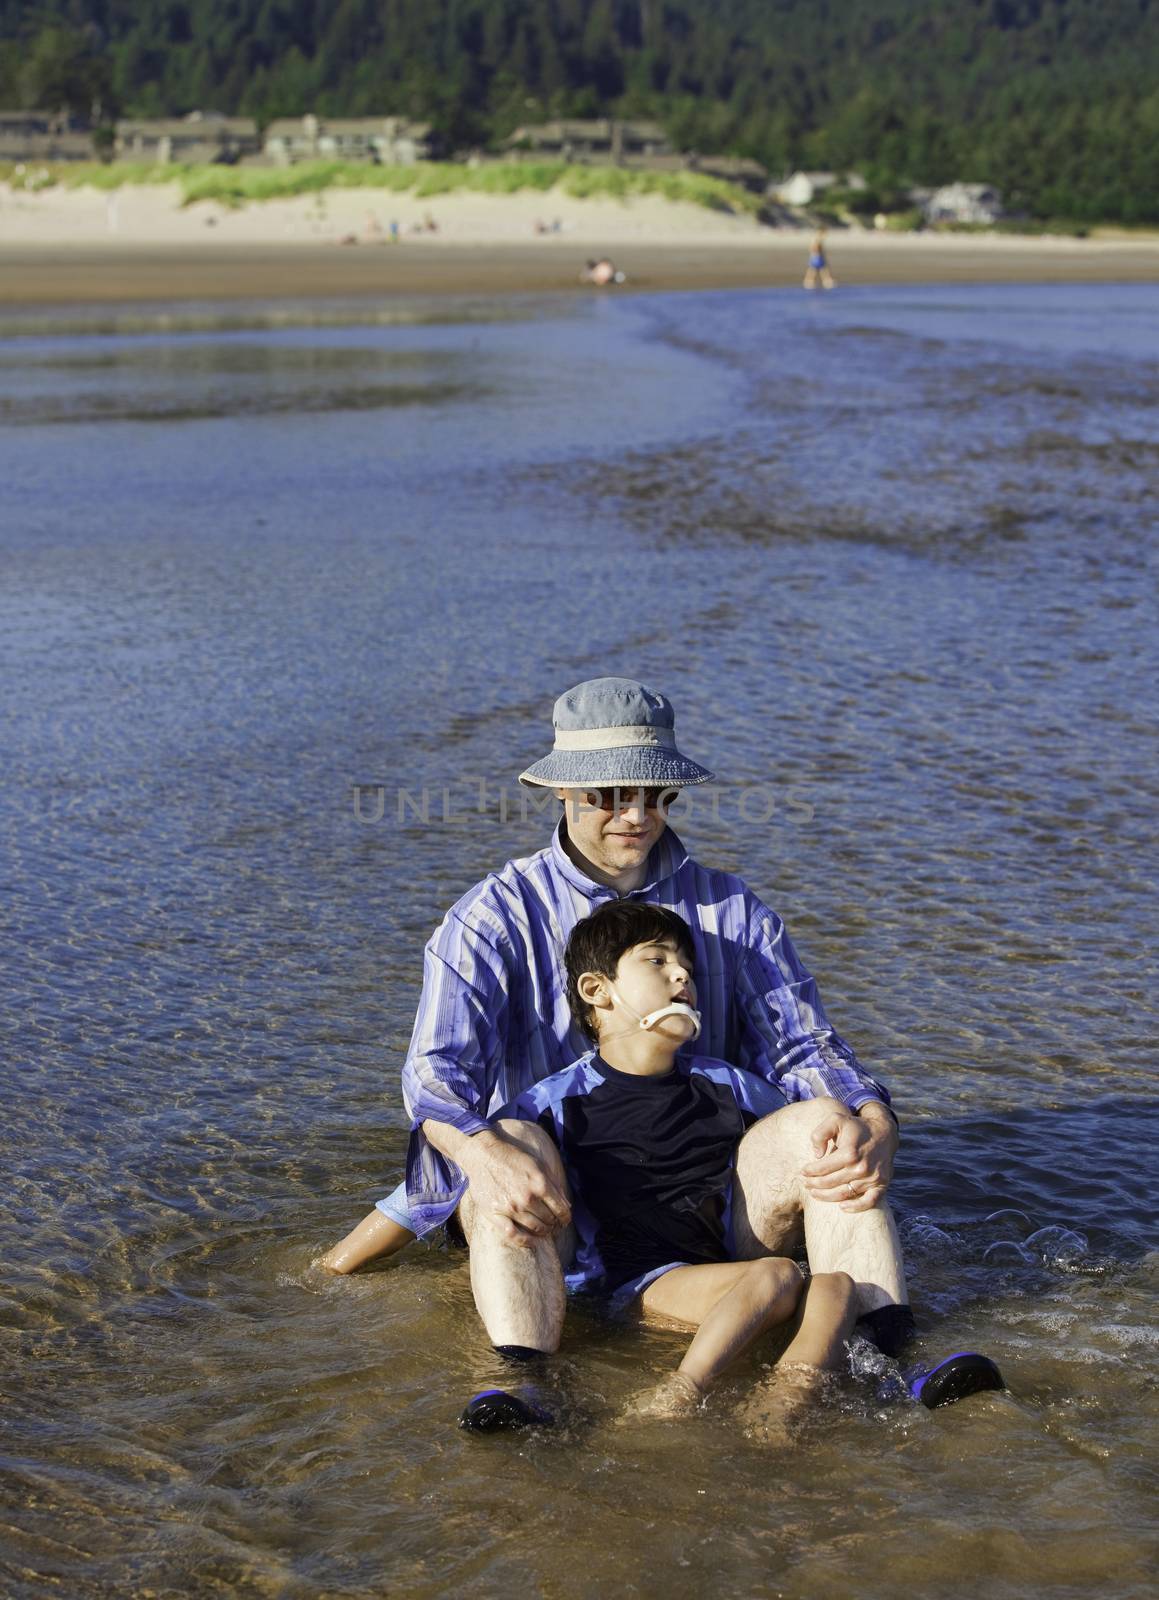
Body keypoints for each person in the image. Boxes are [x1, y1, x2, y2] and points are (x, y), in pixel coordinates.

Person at [323, 677, 1002, 1415]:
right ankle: (522, 1379)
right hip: (544, 1196)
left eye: (653, 792)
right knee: (507, 1137)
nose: (635, 814)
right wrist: (480, 1159)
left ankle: (890, 1362)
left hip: (705, 1191)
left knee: (828, 1126)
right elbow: (434, 1077)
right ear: (561, 792)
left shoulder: (732, 909)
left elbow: (803, 1046)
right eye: (608, 793)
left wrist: (875, 1118)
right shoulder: (491, 916)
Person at [460, 900, 859, 1431]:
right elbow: (448, 1185)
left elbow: (791, 1144)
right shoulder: (554, 1101)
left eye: (688, 969)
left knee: (837, 1288)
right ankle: (678, 1392)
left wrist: (857, 1125)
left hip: (720, 1269)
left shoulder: (726, 1082)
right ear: (597, 991)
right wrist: (337, 1264)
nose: (682, 975)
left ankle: (781, 1408)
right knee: (780, 1274)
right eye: (657, 961)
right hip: (635, 1284)